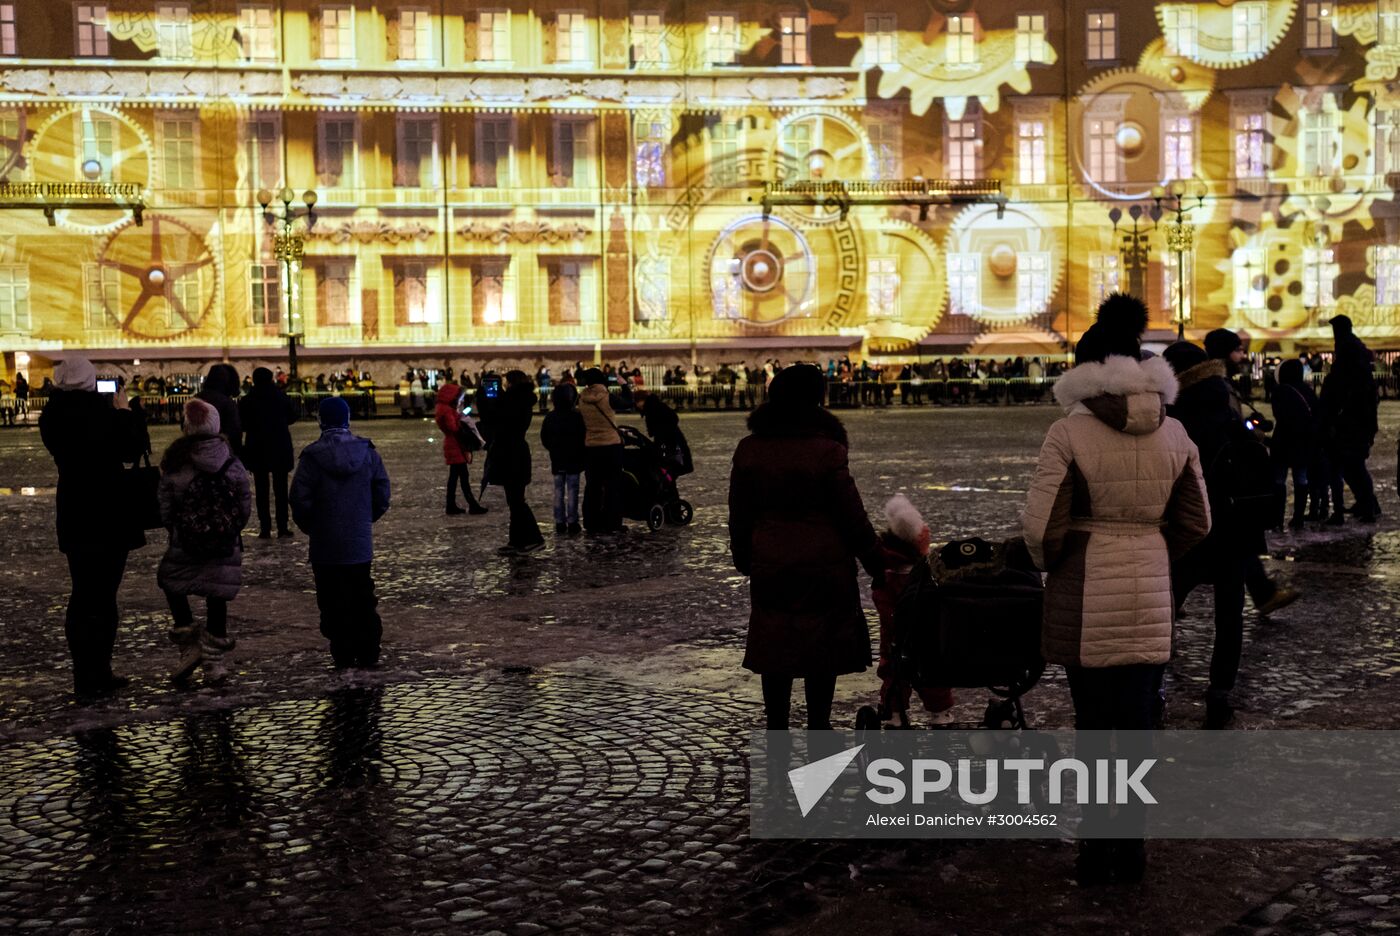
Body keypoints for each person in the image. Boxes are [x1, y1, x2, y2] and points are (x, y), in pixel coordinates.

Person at [1022, 296, 1211, 885]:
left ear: (1083, 372)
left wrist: (1058, 560)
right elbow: (1197, 521)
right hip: (1150, 587)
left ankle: (1095, 847)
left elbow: (1040, 526)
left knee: (1093, 723)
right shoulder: (1175, 431)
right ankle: (1130, 848)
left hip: (1086, 590)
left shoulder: (1068, 432)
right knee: (1135, 723)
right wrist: (1153, 553)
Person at [728, 364, 884, 731]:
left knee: (775, 645)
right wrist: (877, 560)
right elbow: (852, 516)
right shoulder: (827, 451)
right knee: (822, 649)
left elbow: (740, 512)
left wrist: (744, 556)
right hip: (824, 565)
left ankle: (777, 725)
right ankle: (818, 724)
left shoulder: (750, 450)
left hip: (771, 563)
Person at [40, 357, 150, 698]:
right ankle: (100, 669)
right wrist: (125, 411)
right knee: (104, 596)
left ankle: (83, 674)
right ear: (90, 380)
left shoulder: (51, 415)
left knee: (82, 592)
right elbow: (133, 449)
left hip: (75, 509)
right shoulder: (101, 413)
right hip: (109, 510)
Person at [290, 398, 391, 668]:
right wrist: (365, 519)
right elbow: (382, 491)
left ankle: (343, 650)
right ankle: (368, 649)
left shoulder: (312, 457)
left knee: (332, 599)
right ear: (348, 419)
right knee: (362, 597)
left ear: (321, 421)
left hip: (325, 545)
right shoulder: (367, 452)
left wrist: (313, 526)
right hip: (358, 543)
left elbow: (299, 499)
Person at [157, 399, 252, 687]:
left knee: (171, 582)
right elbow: (244, 501)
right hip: (224, 541)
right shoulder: (231, 461)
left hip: (186, 539)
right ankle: (215, 663)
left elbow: (165, 503)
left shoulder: (176, 463)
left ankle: (188, 642)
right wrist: (231, 528)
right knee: (217, 596)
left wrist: (177, 528)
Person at [872, 495, 954, 727]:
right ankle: (940, 712)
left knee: (893, 672)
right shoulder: (927, 575)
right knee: (934, 673)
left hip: (896, 638)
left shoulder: (888, 574)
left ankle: (894, 711)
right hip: (928, 637)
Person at [1319, 314, 1380, 523]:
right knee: (1352, 465)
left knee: (1353, 465)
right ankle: (1367, 503)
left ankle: (1368, 506)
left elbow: (1342, 388)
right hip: (1357, 421)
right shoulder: (1353, 350)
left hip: (1352, 422)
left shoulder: (1349, 352)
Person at [484, 370, 544, 554]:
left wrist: (490, 399)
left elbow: (498, 419)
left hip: (512, 454)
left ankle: (535, 539)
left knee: (517, 501)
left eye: (506, 382)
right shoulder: (519, 400)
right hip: (514, 452)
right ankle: (516, 540)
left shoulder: (514, 401)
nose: (503, 385)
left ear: (512, 383)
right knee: (514, 500)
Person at [239, 367, 297, 539]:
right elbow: (293, 417)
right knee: (281, 489)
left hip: (257, 447)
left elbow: (242, 424)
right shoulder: (280, 396)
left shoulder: (248, 399)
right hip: (279, 446)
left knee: (261, 489)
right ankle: (282, 526)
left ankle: (265, 528)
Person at [1271, 359, 1321, 531]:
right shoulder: (1308, 391)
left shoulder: (1280, 390)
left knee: (1279, 481)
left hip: (1283, 441)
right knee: (1301, 479)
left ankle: (1277, 518)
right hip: (1303, 442)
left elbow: (1279, 414)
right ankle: (1298, 518)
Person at [579, 367, 625, 534]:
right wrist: (624, 385)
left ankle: (592, 522)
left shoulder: (582, 399)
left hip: (591, 446)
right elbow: (628, 402)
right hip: (611, 445)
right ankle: (613, 523)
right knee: (613, 485)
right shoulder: (607, 397)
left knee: (592, 486)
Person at [433, 381, 487, 516]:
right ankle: (472, 505)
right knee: (463, 477)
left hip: (453, 445)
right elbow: (454, 428)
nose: (461, 400)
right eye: (459, 398)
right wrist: (461, 419)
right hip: (455, 446)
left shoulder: (445, 409)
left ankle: (451, 505)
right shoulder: (447, 411)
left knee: (455, 477)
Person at [540, 383, 586, 535]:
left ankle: (560, 522)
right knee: (573, 491)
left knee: (558, 491)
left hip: (557, 457)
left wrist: (553, 448)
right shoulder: (577, 416)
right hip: (574, 458)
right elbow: (582, 436)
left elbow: (544, 437)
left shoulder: (551, 417)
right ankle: (572, 522)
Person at [634, 389, 692, 478]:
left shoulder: (653, 409)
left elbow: (662, 429)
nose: (637, 405)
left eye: (637, 402)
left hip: (670, 445)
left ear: (642, 401)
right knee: (669, 472)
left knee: (668, 470)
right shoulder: (655, 407)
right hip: (672, 443)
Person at [197, 363, 242, 460]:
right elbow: (234, 431)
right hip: (223, 453)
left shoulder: (196, 399)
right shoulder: (227, 402)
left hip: (198, 451)